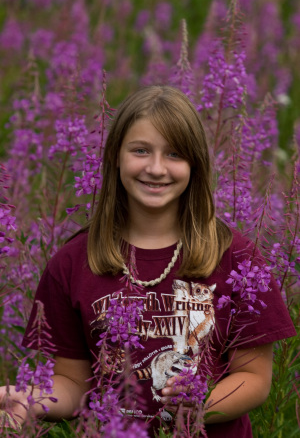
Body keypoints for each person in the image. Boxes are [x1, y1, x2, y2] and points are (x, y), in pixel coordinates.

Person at [0, 85, 296, 437]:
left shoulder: (237, 259)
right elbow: (72, 383)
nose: (156, 168)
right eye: (140, 151)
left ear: (195, 164)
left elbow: (255, 380)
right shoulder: (73, 261)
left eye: (174, 154)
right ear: (115, 157)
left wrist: (199, 406)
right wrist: (30, 399)